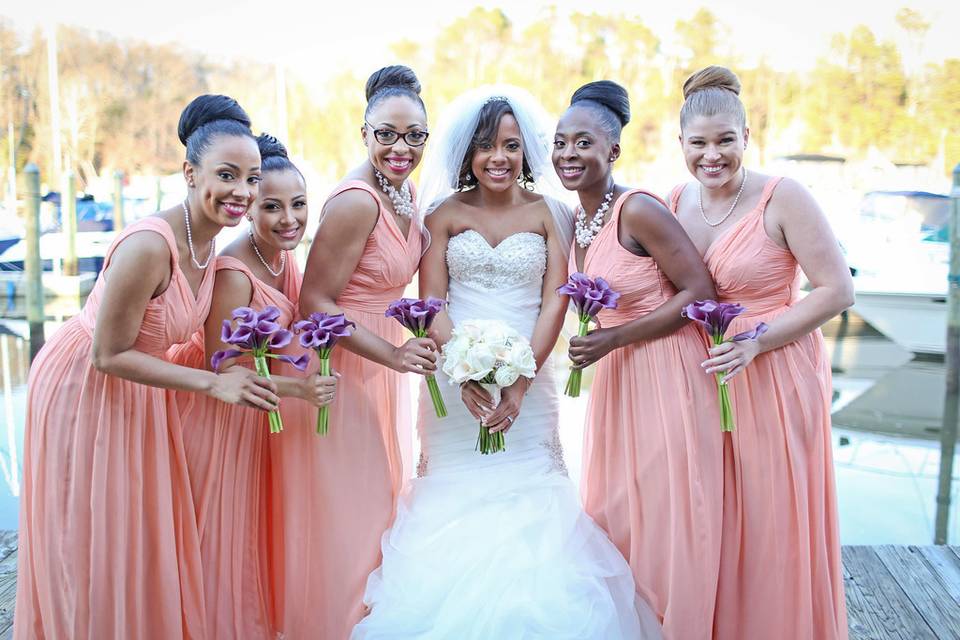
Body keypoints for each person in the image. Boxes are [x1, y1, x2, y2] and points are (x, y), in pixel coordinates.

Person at [352, 86, 661, 639]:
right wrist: (464, 371)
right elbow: (433, 304)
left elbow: (555, 301)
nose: (499, 158)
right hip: (454, 380)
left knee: (532, 496)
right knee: (453, 492)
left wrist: (521, 379)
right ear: (467, 154)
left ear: (527, 153)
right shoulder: (441, 214)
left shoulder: (553, 213)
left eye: (512, 146)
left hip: (531, 378)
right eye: (487, 147)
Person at [15, 94, 278, 640]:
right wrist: (213, 385)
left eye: (251, 179)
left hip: (145, 386)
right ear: (189, 171)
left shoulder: (209, 247)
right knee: (91, 533)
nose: (242, 192)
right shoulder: (147, 245)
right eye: (226, 175)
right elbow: (107, 354)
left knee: (138, 530)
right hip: (83, 386)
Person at [670, 65, 852, 640]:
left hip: (776, 370)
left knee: (773, 513)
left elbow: (837, 289)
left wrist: (758, 341)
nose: (712, 155)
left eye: (725, 140)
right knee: (712, 514)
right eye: (698, 144)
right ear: (681, 145)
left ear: (747, 136)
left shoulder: (784, 196)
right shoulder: (674, 199)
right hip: (704, 375)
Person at [553, 80, 722, 640]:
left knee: (669, 511)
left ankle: (681, 625)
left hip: (667, 374)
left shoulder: (638, 208)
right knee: (619, 505)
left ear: (613, 152)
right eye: (560, 142)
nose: (569, 154)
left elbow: (699, 294)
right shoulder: (578, 220)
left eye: (583, 143)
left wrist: (615, 339)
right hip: (619, 382)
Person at [272, 64, 436, 639]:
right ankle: (330, 625)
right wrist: (392, 356)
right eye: (387, 133)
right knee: (351, 510)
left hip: (382, 357)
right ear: (363, 132)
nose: (401, 147)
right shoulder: (355, 200)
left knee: (378, 504)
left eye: (415, 134)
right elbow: (315, 302)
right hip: (342, 361)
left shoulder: (407, 190)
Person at [167, 133, 337, 638]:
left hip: (255, 417)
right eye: (272, 207)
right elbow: (224, 367)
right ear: (251, 210)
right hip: (219, 422)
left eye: (299, 204)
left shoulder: (284, 257)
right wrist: (301, 391)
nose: (289, 219)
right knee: (219, 538)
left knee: (248, 540)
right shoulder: (235, 273)